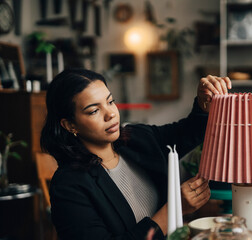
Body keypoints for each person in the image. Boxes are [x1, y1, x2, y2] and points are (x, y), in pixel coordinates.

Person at [40, 68, 231, 240]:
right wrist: (174, 208)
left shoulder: (136, 139)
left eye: (110, 101)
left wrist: (204, 103)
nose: (111, 114)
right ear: (70, 125)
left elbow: (187, 131)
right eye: (94, 111)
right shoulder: (69, 185)